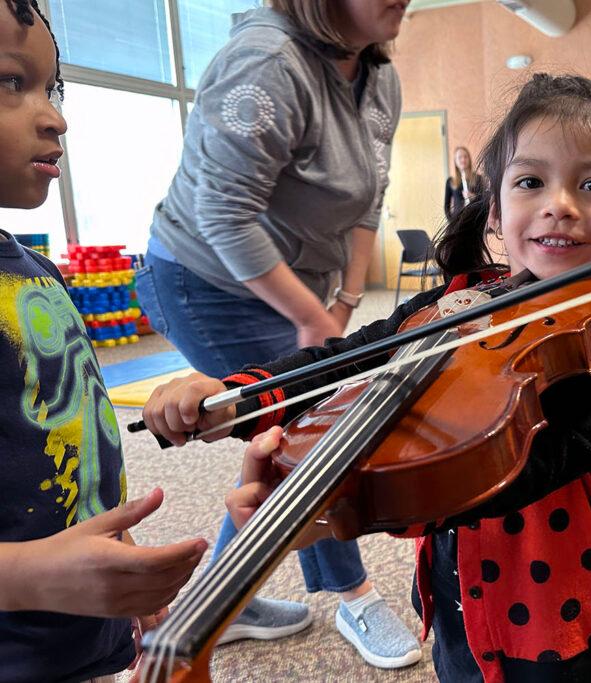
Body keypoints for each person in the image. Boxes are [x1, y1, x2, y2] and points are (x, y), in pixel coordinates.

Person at [142, 73, 591, 682]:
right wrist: (240, 398)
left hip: (558, 616)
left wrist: (345, 502)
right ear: (496, 211)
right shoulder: (459, 301)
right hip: (455, 596)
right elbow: (350, 358)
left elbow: (529, 468)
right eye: (530, 182)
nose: (560, 204)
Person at [133, 0, 421, 667]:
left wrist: (345, 299)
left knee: (281, 436)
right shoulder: (267, 61)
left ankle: (219, 596)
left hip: (296, 282)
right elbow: (223, 214)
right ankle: (355, 594)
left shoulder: (381, 77)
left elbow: (368, 202)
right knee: (308, 425)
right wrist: (316, 326)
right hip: (204, 279)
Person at [0, 2, 207, 680]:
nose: (55, 114)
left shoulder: (39, 272)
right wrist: (26, 576)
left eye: (51, 86)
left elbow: (74, 435)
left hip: (81, 633)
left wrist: (116, 545)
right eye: (10, 83)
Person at [444, 145, 485, 219]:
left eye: (465, 157)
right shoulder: (450, 181)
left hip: (475, 219)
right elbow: (446, 206)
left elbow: (484, 200)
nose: (463, 160)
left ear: (469, 159)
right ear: (455, 161)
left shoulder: (478, 179)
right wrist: (451, 223)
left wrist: (474, 197)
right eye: (459, 157)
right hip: (457, 220)